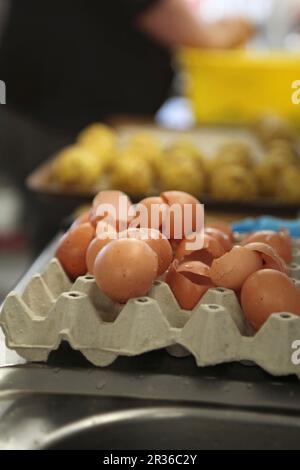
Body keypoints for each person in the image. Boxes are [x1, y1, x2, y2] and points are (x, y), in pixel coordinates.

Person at [0, 0, 252, 247]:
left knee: (78, 235)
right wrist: (221, 33)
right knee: (71, 236)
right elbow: (174, 21)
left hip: (59, 109)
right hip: (58, 118)